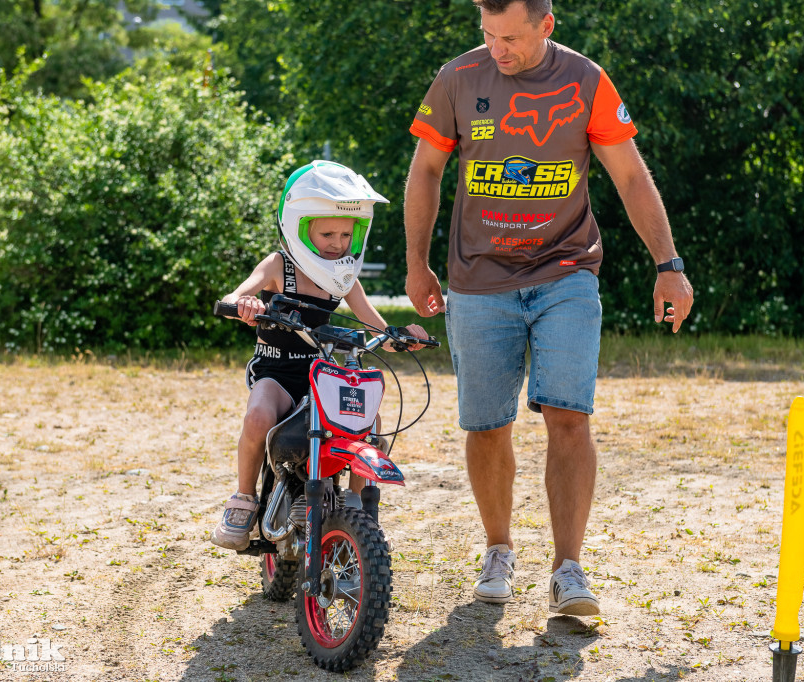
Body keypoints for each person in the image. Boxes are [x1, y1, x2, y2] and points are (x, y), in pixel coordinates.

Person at [404, 0, 693, 616]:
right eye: (488, 35)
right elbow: (425, 170)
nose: (497, 49)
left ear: (546, 24)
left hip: (565, 271)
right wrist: (416, 263)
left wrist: (669, 266)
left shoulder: (585, 81)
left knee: (569, 416)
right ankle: (499, 550)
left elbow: (631, 176)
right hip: (478, 281)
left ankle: (568, 570)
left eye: (510, 37)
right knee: (486, 425)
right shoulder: (458, 79)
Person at [211, 160, 427, 551]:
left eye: (347, 233)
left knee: (370, 418)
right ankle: (243, 497)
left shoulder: (343, 279)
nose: (338, 242)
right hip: (277, 375)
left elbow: (375, 325)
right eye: (327, 232)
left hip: (322, 375)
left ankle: (355, 504)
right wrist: (242, 303)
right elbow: (236, 293)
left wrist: (402, 337)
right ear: (300, 228)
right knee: (258, 415)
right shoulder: (280, 265)